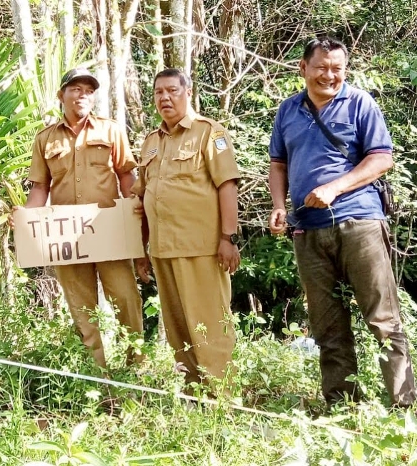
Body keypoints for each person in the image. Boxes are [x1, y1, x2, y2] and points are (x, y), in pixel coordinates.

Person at [268, 37, 416, 408]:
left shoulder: (361, 103)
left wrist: (335, 187)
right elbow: (278, 164)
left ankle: (404, 406)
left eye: (337, 68)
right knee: (327, 325)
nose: (329, 75)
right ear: (303, 68)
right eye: (321, 67)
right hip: (308, 227)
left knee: (382, 318)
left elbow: (382, 159)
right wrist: (278, 206)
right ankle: (342, 405)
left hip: (359, 221)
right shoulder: (288, 111)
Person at [19, 67, 144, 369]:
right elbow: (39, 188)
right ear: (61, 95)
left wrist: (137, 222)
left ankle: (136, 369)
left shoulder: (111, 130)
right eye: (75, 89)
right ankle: (98, 377)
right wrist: (25, 220)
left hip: (109, 233)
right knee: (82, 310)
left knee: (126, 300)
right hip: (67, 239)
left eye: (89, 90)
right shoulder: (45, 139)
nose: (83, 95)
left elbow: (127, 177)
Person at [133, 68, 240, 394]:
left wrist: (228, 238)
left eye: (172, 91)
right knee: (178, 328)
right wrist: (142, 250)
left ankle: (223, 399)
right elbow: (142, 196)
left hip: (201, 248)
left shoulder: (209, 133)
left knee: (208, 326)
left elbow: (228, 185)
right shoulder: (151, 142)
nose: (165, 98)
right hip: (163, 251)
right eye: (158, 93)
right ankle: (194, 394)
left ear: (187, 92)